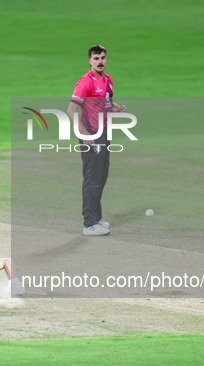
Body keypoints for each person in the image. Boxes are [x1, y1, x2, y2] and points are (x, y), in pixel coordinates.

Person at [67, 45, 126, 236]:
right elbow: (71, 111)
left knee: (101, 177)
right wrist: (84, 134)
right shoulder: (85, 82)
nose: (100, 61)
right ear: (90, 61)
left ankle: (96, 219)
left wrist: (116, 108)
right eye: (96, 58)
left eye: (103, 58)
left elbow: (106, 101)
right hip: (91, 133)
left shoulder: (107, 80)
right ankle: (88, 224)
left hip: (104, 133)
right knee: (92, 179)